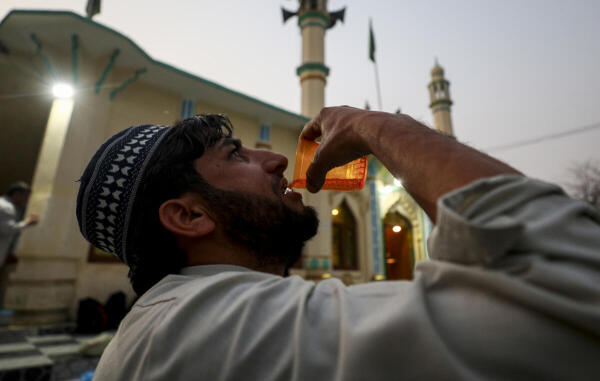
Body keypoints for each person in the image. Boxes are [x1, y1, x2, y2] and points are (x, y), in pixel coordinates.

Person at [76, 106, 600, 380]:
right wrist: (381, 127)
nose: (277, 159)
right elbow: (573, 287)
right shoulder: (206, 329)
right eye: (235, 155)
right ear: (188, 215)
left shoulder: (175, 321)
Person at [0, 182, 38, 266]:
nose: (27, 200)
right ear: (17, 194)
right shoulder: (7, 207)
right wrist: (27, 222)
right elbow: (8, 229)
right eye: (25, 196)